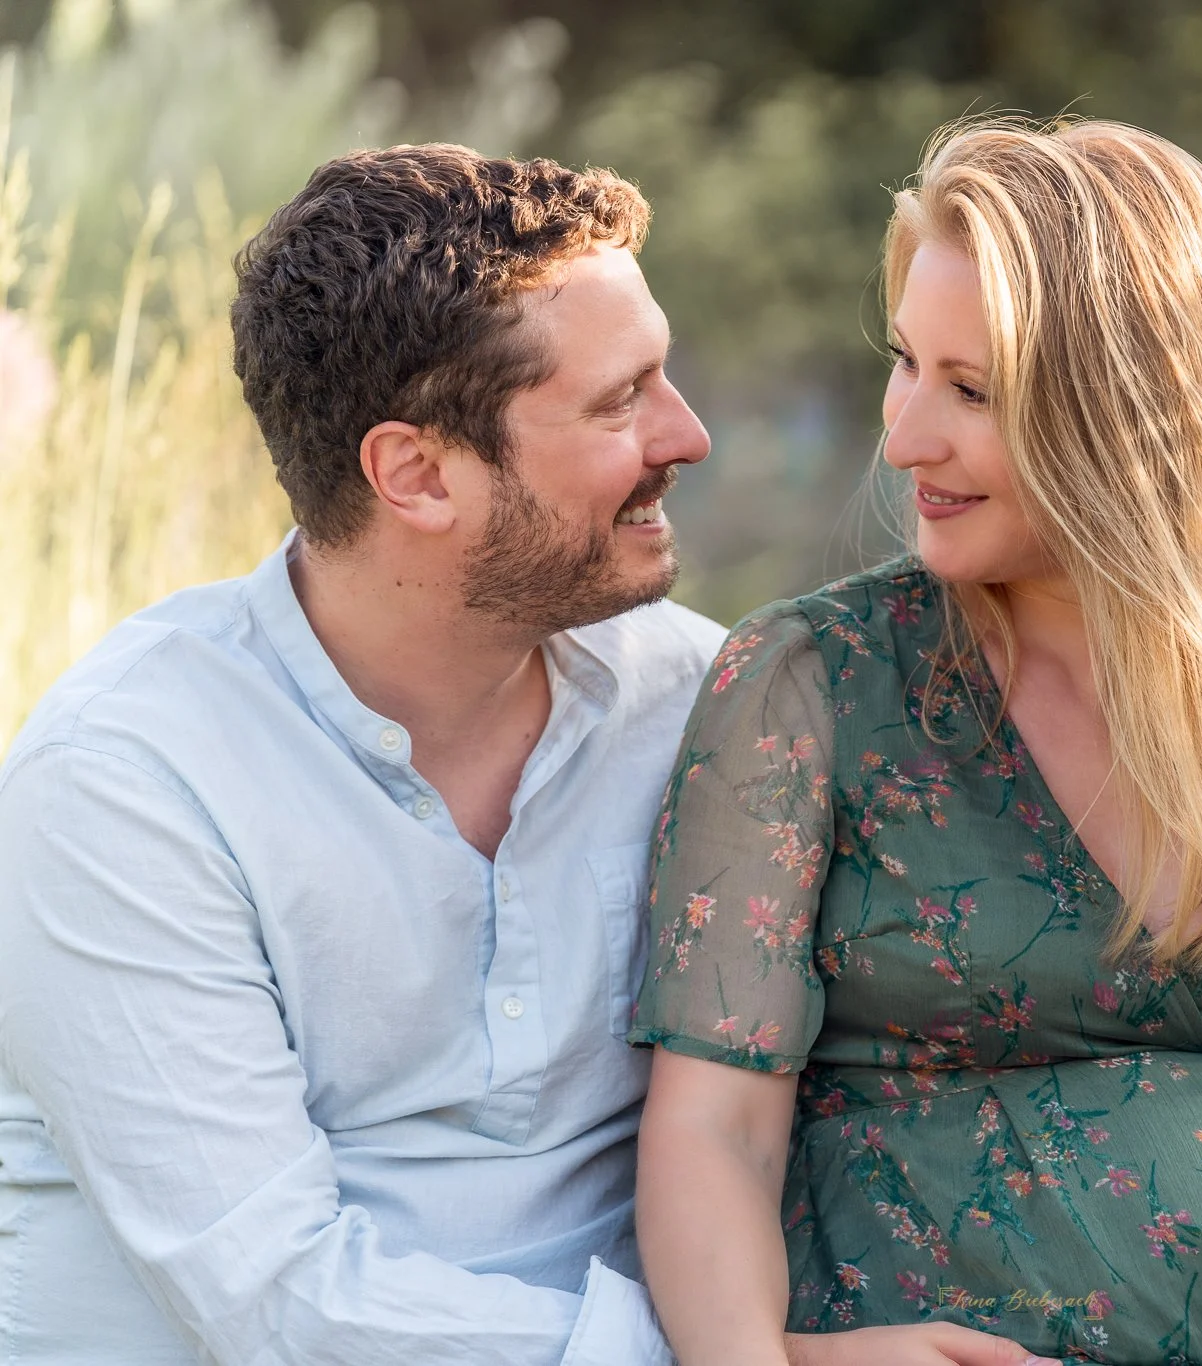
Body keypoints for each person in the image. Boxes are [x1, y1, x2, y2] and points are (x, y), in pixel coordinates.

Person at [0, 143, 1034, 1366]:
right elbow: (272, 1297)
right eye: (619, 401)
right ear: (417, 475)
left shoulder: (704, 703)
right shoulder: (127, 783)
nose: (688, 434)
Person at [631, 118, 1202, 1366]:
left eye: (971, 391)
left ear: (1136, 417)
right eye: (904, 365)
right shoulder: (811, 686)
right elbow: (715, 1132)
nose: (902, 437)